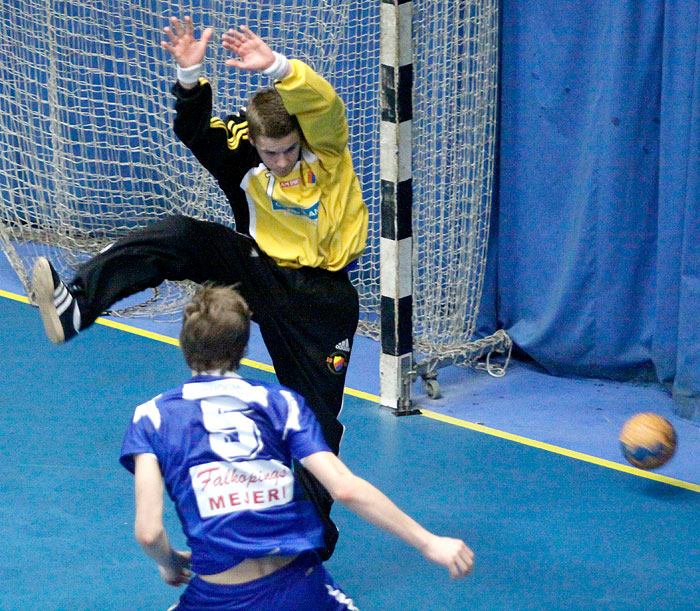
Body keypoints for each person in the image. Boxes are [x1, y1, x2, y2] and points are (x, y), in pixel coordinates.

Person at [32, 16, 368, 557]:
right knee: (180, 235)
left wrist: (279, 67)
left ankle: (308, 541)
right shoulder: (245, 148)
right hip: (258, 266)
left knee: (314, 422)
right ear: (255, 141)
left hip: (321, 303)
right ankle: (76, 305)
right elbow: (194, 131)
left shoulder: (325, 147)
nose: (280, 162)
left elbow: (324, 104)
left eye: (287, 150)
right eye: (270, 152)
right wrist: (189, 75)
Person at [119, 284, 474, 611]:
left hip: (221, 596)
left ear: (185, 345)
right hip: (301, 587)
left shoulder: (152, 416)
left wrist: (171, 563)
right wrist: (429, 542)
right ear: (243, 347)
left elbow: (148, 532)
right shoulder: (280, 402)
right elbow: (346, 488)